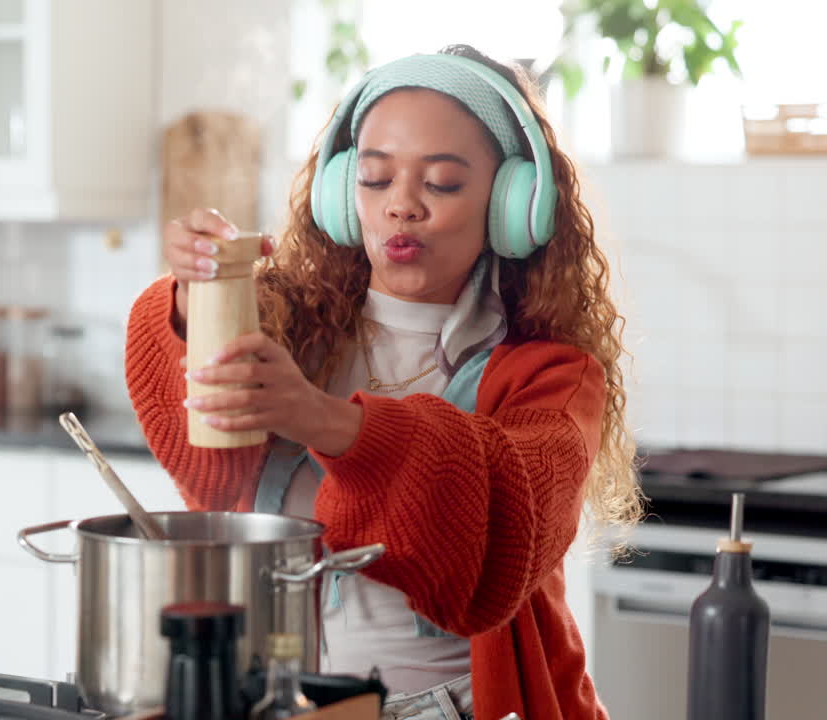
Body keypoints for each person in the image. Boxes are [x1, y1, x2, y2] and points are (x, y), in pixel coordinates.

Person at [125, 43, 642, 720]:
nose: (402, 206)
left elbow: (497, 547)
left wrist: (326, 422)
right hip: (286, 702)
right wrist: (199, 305)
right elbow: (212, 478)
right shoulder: (291, 330)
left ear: (514, 202)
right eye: (374, 179)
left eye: (443, 183)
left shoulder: (552, 376)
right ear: (343, 193)